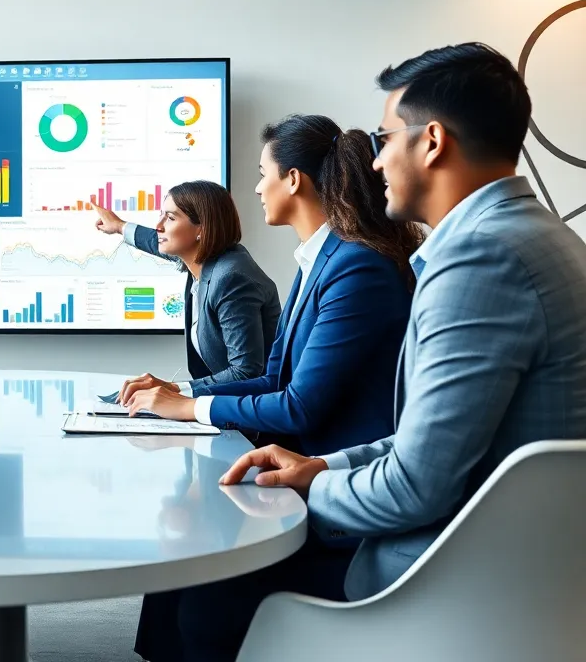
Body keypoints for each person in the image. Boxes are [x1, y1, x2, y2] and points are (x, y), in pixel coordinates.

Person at [221, 44, 586, 618]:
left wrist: (306, 493)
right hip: (516, 573)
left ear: (433, 142)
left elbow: (417, 485)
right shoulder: (535, 235)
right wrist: (322, 468)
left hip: (442, 590)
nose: (373, 163)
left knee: (214, 599)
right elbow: (430, 442)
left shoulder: (479, 258)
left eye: (385, 140)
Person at [127, 115, 423, 662]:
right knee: (174, 570)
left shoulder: (356, 267)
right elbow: (277, 376)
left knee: (200, 594)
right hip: (300, 464)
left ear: (293, 180)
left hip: (335, 488)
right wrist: (183, 402)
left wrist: (192, 407)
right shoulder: (321, 261)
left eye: (262, 173)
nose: (257, 187)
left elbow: (300, 405)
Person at [94, 180, 280, 395]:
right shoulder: (204, 259)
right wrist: (119, 226)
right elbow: (156, 242)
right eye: (161, 215)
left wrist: (174, 390)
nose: (159, 226)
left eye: (170, 218)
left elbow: (246, 372)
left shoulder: (231, 278)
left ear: (201, 228)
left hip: (252, 417)